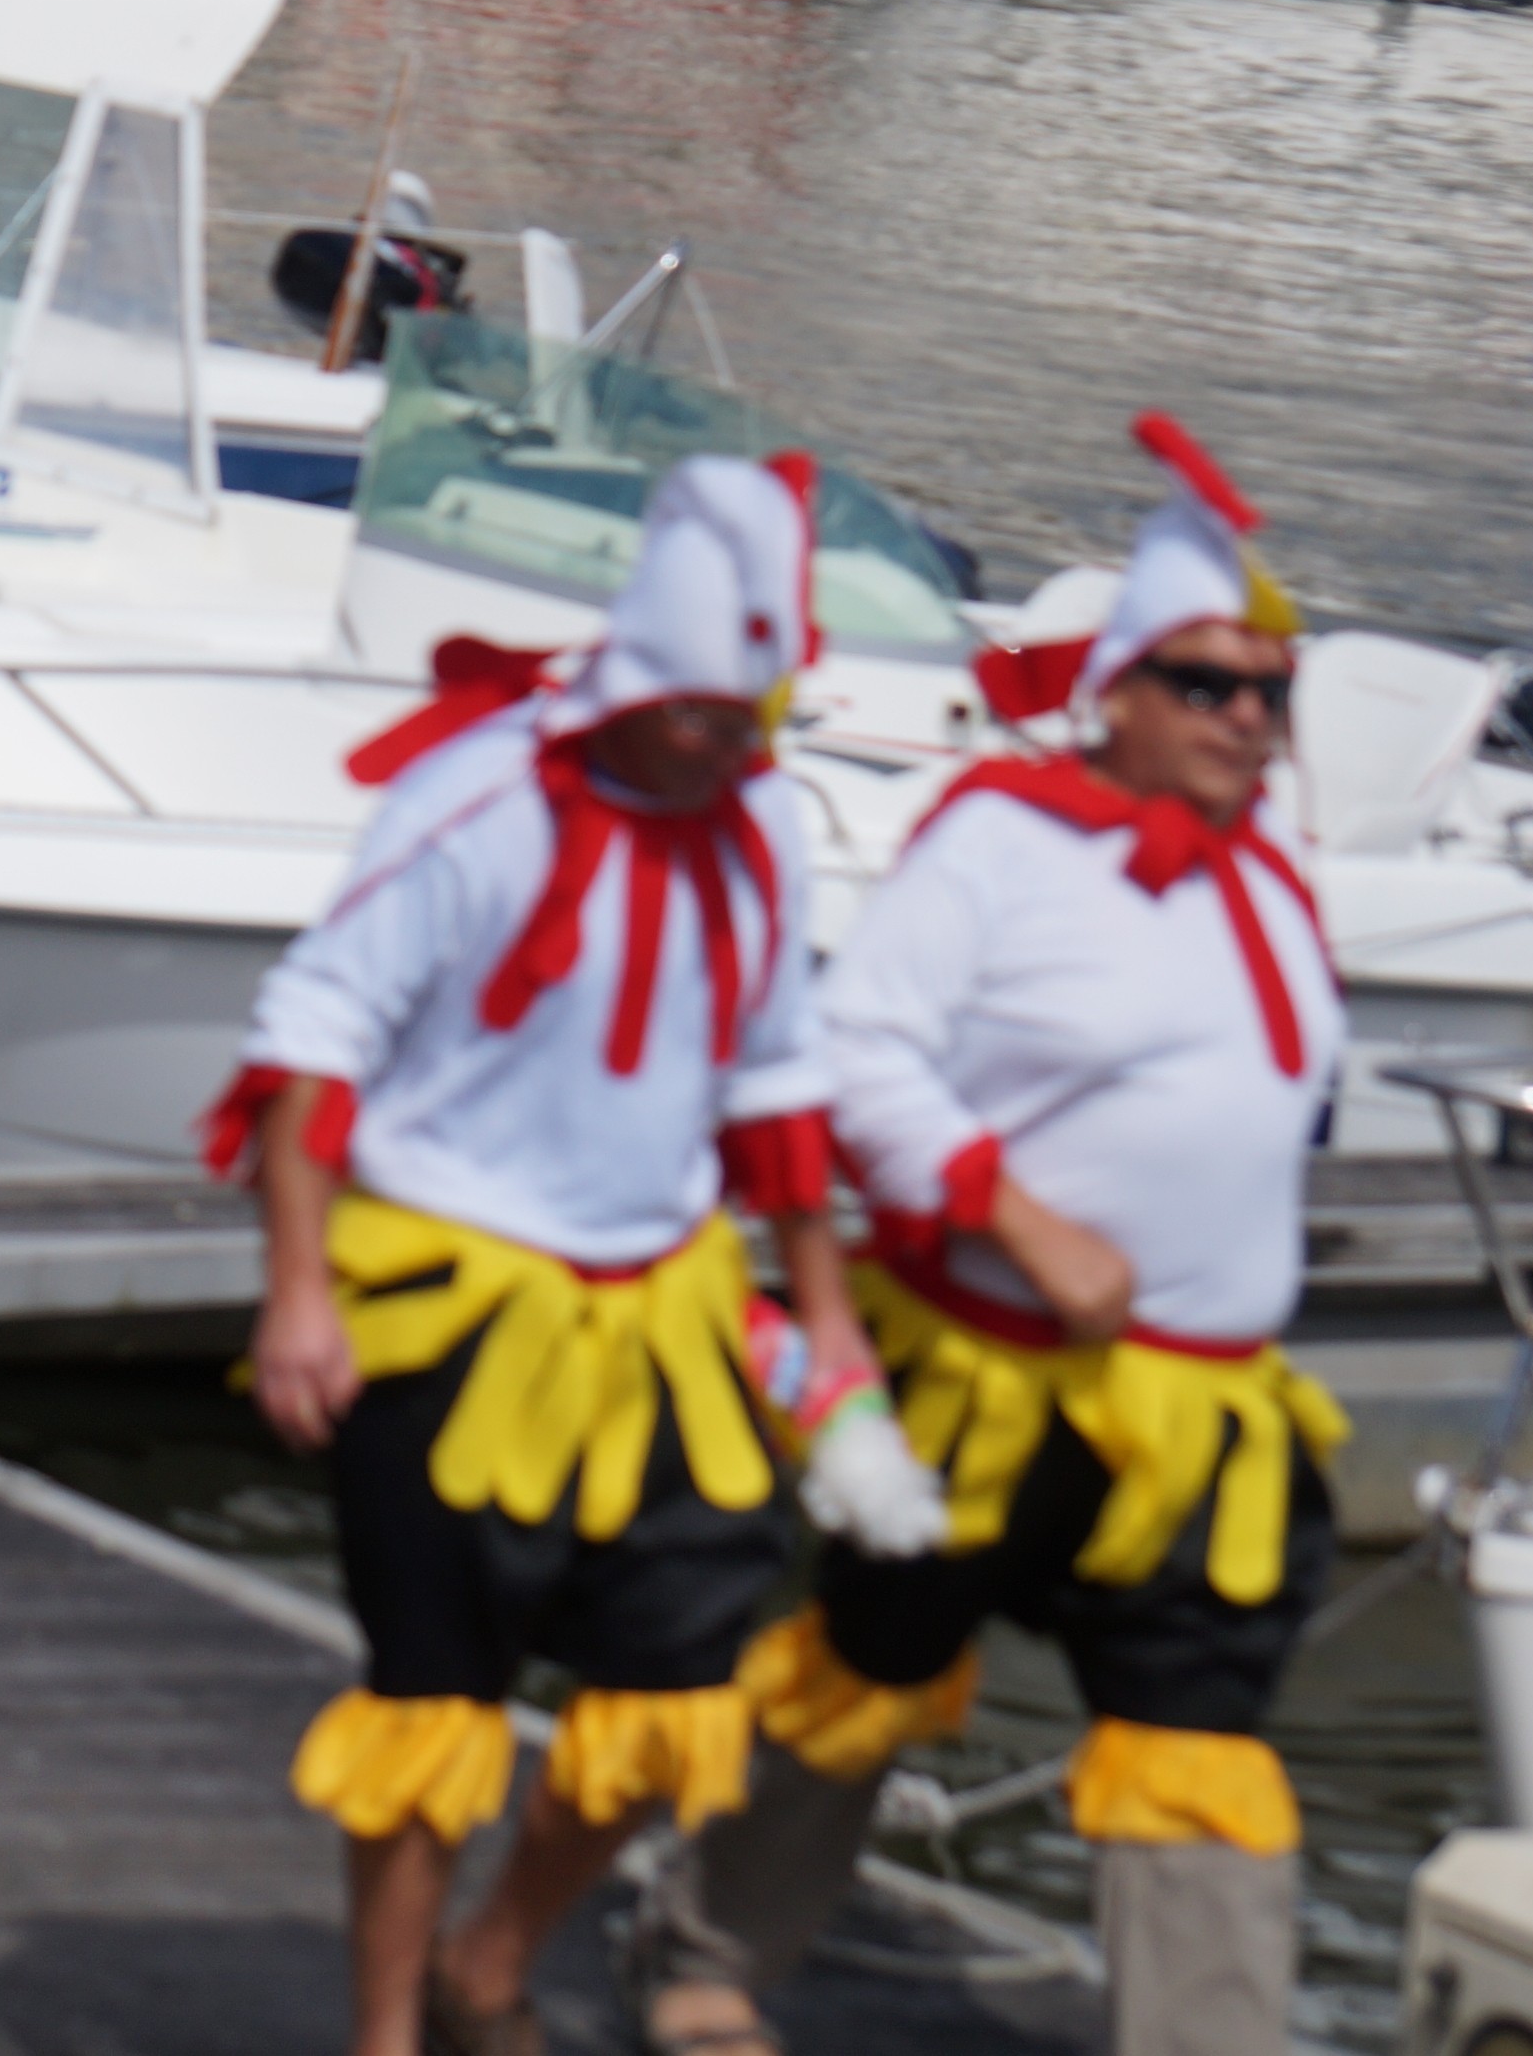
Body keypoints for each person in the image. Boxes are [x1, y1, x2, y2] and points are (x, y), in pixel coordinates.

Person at [626, 414, 1349, 2056]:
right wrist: (1016, 1208)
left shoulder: (1274, 870)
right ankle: (700, 1955)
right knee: (866, 1670)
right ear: (1121, 691)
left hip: (1199, 1421)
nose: (1251, 718)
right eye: (1212, 685)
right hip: (989, 1378)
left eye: (1272, 692)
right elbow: (856, 1057)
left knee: (1199, 1733)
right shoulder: (999, 842)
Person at [207, 457, 949, 2056]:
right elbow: (313, 1038)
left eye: (753, 718)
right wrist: (298, 1286)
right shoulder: (476, 798)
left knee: (681, 1686)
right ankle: (387, 2033)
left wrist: (825, 1315)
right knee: (437, 1704)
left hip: (659, 1307)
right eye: (701, 714)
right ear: (637, 687)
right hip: (449, 1297)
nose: (728, 748)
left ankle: (501, 1951)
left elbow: (774, 1074)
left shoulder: (759, 816)